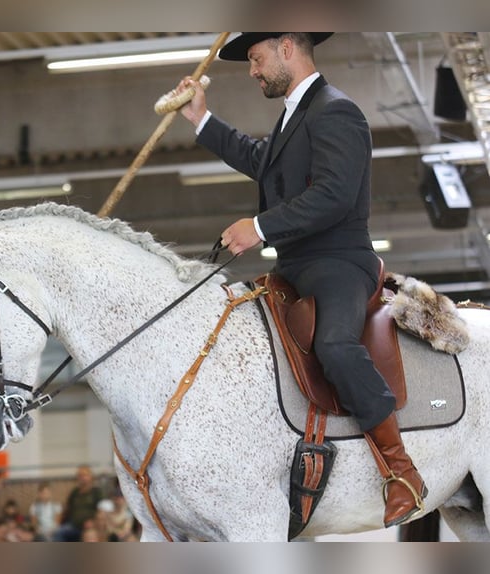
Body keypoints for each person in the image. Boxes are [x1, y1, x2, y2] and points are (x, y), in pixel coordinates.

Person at [176, 32, 426, 528]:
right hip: (293, 266)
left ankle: (402, 472)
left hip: (338, 262)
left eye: (256, 58)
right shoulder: (296, 114)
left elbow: (334, 194)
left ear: (287, 47)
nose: (253, 70)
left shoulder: (337, 111)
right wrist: (200, 118)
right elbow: (257, 159)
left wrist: (260, 227)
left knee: (334, 345)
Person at [53, 465, 104, 541]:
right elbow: (67, 508)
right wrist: (58, 521)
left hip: (90, 526)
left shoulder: (96, 492)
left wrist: (94, 522)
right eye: (80, 475)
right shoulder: (75, 492)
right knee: (58, 532)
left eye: (84, 475)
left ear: (91, 477)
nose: (82, 478)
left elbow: (102, 510)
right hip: (74, 526)